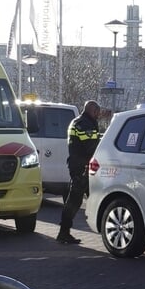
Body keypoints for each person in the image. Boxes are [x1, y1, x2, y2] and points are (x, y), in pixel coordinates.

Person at [57, 100, 104, 244]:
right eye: (97, 112)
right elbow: (91, 146)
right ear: (92, 110)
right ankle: (64, 232)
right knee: (75, 201)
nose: (98, 115)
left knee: (91, 198)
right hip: (82, 168)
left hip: (78, 166)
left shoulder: (77, 122)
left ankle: (65, 232)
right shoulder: (85, 124)